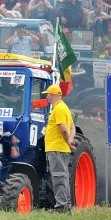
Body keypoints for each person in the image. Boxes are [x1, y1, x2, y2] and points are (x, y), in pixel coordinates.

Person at [42, 83, 76, 212]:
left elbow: (63, 128)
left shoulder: (59, 109)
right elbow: (72, 127)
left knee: (58, 176)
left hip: (56, 148)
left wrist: (68, 141)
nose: (47, 97)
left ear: (52, 95)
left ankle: (61, 206)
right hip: (60, 148)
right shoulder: (64, 108)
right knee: (63, 176)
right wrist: (70, 141)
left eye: (47, 95)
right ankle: (65, 205)